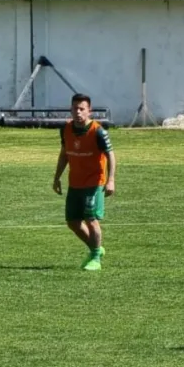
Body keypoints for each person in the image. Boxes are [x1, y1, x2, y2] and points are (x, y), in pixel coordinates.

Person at [53, 93, 116, 271]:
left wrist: (110, 180)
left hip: (94, 183)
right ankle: (96, 249)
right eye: (75, 108)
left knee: (91, 219)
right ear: (71, 110)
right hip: (75, 183)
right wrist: (57, 177)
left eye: (82, 109)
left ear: (89, 111)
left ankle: (95, 257)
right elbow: (64, 154)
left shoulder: (98, 132)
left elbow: (111, 155)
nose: (78, 112)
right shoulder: (65, 129)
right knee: (72, 221)